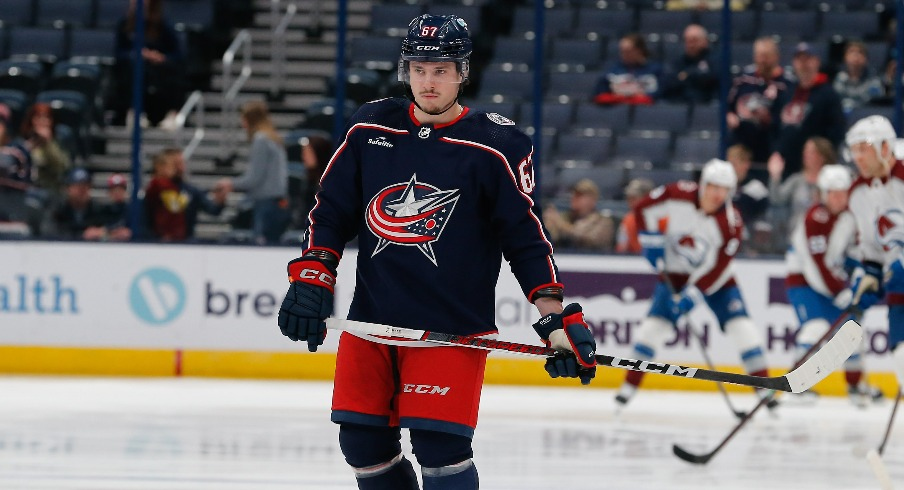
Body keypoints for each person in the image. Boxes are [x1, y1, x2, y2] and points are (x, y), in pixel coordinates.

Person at [276, 14, 598, 490]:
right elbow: (331, 212)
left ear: (463, 72)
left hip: (450, 330)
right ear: (406, 70)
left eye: (442, 69)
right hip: (371, 324)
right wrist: (314, 274)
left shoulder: (496, 145)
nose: (428, 82)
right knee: (361, 446)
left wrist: (553, 318)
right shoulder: (369, 127)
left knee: (439, 449)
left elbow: (525, 240)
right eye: (419, 69)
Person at [613, 159, 774, 409]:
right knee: (652, 330)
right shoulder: (678, 193)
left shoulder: (732, 224)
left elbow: (718, 268)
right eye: (712, 186)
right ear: (702, 184)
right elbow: (644, 208)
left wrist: (693, 295)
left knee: (743, 330)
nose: (716, 194)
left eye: (723, 188)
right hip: (674, 274)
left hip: (717, 281)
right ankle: (627, 388)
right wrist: (651, 240)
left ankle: (765, 391)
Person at [784, 164, 882, 406]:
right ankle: (796, 384)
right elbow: (815, 266)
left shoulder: (850, 216)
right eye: (833, 193)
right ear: (823, 194)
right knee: (815, 328)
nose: (838, 198)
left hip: (830, 282)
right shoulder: (814, 218)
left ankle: (856, 386)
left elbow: (851, 253)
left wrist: (858, 271)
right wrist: (840, 293)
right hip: (805, 282)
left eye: (842, 193)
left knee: (851, 332)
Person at [842, 115, 904, 395]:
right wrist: (870, 273)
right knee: (901, 353)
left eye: (863, 147)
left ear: (884, 147)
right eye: (854, 149)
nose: (857, 156)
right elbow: (873, 249)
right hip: (899, 288)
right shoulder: (858, 194)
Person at [215, 101, 289, 244]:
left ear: (249, 120)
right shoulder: (274, 139)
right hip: (277, 203)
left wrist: (229, 183)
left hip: (266, 204)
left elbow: (254, 178)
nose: (243, 125)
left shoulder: (261, 140)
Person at [771, 42, 846, 180]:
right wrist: (776, 152)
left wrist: (824, 158)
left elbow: (837, 131)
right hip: (786, 169)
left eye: (808, 59)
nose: (803, 64)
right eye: (799, 60)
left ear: (817, 62)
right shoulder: (787, 93)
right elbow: (776, 127)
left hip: (815, 171)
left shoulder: (828, 94)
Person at [110, 0, 186, 128]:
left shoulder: (163, 25)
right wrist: (137, 54)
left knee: (171, 70)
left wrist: (160, 57)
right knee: (132, 68)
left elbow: (177, 54)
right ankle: (134, 112)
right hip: (134, 66)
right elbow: (119, 53)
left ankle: (172, 113)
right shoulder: (124, 24)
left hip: (158, 68)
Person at [726, 37, 792, 165]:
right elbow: (727, 106)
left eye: (766, 56)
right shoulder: (743, 80)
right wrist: (729, 115)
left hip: (770, 146)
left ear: (776, 57)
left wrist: (769, 118)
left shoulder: (787, 85)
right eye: (759, 56)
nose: (762, 60)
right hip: (741, 143)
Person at [768, 136, 837, 247]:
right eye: (805, 151)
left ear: (822, 156)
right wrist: (775, 176)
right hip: (797, 238)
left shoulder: (833, 181)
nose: (806, 154)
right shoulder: (797, 180)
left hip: (825, 238)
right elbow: (777, 199)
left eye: (811, 151)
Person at [144, 148, 227, 242]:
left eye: (182, 163)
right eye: (175, 164)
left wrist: (220, 200)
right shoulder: (157, 187)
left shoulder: (191, 191)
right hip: (158, 240)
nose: (180, 167)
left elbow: (213, 210)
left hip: (186, 241)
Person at [17, 103, 71, 203]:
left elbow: (62, 167)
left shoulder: (59, 141)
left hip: (49, 191)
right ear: (31, 120)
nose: (42, 121)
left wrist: (48, 143)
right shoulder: (22, 142)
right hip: (25, 191)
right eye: (38, 117)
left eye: (47, 117)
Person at [542, 178, 615, 251]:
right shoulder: (565, 217)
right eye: (574, 194)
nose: (574, 197)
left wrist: (561, 224)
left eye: (580, 195)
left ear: (593, 200)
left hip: (592, 260)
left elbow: (590, 240)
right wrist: (548, 224)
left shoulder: (603, 222)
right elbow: (549, 239)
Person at [593, 33, 663, 106]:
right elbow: (599, 94)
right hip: (618, 110)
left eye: (628, 51)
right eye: (622, 51)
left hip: (645, 110)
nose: (623, 55)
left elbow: (659, 95)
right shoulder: (613, 70)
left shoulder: (656, 70)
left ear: (639, 50)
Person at [42, 167, 109, 240]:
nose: (82, 191)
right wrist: (81, 235)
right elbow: (48, 230)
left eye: (86, 187)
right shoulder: (58, 208)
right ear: (68, 189)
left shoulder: (97, 209)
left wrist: (103, 233)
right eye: (78, 187)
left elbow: (107, 229)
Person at [661, 24, 719, 104]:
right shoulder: (678, 61)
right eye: (687, 41)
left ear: (705, 41)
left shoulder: (715, 60)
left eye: (694, 40)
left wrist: (686, 74)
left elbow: (712, 78)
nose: (690, 45)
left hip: (706, 105)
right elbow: (669, 82)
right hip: (680, 105)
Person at [833, 41, 885, 114]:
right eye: (851, 52)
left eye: (860, 52)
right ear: (845, 57)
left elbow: (876, 105)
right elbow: (836, 104)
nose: (855, 55)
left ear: (866, 59)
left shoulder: (874, 81)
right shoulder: (840, 78)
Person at [615, 177, 655, 254]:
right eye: (628, 198)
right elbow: (621, 248)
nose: (630, 202)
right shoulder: (628, 220)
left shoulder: (662, 218)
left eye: (634, 198)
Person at [96, 173, 133, 241]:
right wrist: (111, 234)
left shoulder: (132, 211)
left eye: (120, 189)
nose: (117, 192)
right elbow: (97, 232)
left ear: (125, 191)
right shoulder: (103, 211)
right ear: (109, 192)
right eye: (114, 190)